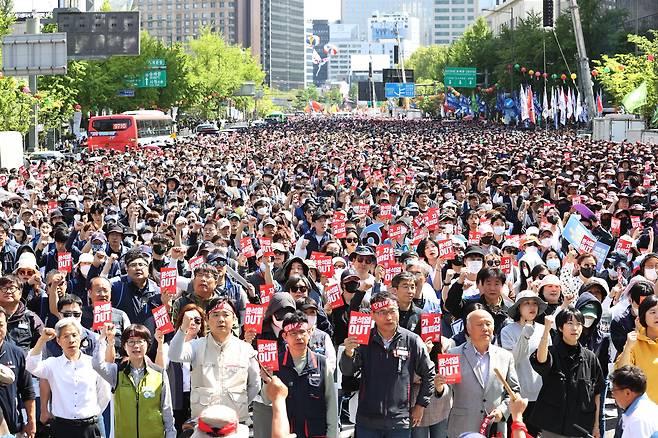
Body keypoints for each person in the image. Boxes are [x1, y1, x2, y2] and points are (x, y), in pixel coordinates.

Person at [340, 292, 435, 437]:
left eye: (392, 311)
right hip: (367, 420)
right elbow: (347, 371)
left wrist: (421, 405)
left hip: (399, 421)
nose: (389, 317)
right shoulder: (362, 340)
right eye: (382, 312)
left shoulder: (412, 340)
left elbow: (429, 374)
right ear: (372, 315)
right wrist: (348, 353)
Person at [168, 297, 260, 421]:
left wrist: (240, 405)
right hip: (204, 421)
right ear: (207, 319)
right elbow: (174, 355)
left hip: (235, 421)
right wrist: (183, 327)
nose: (221, 319)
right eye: (215, 315)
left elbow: (255, 384)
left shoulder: (245, 349)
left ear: (234, 319)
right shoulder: (197, 346)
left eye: (226, 315)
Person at [435, 309, 520, 438]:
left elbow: (514, 391)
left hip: (495, 428)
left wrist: (503, 411)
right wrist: (440, 387)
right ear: (468, 329)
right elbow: (447, 391)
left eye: (488, 324)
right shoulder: (453, 354)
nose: (485, 328)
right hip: (462, 427)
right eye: (480, 325)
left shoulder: (505, 356)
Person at [26, 319, 111, 438]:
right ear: (58, 341)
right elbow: (31, 366)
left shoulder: (93, 363)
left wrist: (92, 413)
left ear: (80, 338)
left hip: (89, 427)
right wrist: (42, 340)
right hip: (62, 428)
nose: (71, 340)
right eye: (66, 336)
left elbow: (105, 394)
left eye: (74, 335)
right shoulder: (53, 364)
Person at [261, 311, 338, 438]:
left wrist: (332, 435)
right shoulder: (276, 364)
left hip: (317, 433)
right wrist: (266, 381)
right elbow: (266, 399)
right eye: (293, 333)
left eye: (302, 332)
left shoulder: (323, 364)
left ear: (310, 333)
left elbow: (331, 404)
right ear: (285, 336)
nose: (299, 337)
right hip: (288, 433)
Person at [530, 308, 605, 438]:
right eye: (570, 323)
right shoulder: (551, 353)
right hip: (553, 427)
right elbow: (541, 361)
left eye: (579, 324)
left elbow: (597, 393)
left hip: (580, 428)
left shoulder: (591, 358)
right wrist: (547, 330)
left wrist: (596, 426)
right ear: (560, 327)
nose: (575, 328)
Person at [92, 323, 176, 438]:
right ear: (125, 346)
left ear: (147, 344)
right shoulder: (116, 372)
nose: (136, 346)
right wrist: (102, 337)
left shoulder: (159, 373)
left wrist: (171, 434)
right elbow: (97, 364)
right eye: (131, 342)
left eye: (141, 341)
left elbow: (167, 410)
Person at [500, 290, 548, 435]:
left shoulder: (542, 329)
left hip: (541, 395)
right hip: (518, 396)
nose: (532, 307)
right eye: (526, 303)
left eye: (534, 303)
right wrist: (524, 336)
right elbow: (512, 361)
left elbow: (546, 361)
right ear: (518, 308)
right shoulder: (507, 331)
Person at [0, 307, 37, 437]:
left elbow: (27, 390)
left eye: (0, 325)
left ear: (6, 326)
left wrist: (31, 421)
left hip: (12, 428)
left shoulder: (17, 353)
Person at [615, 294, 658, 403]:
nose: (657, 316)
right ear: (643, 316)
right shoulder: (634, 342)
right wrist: (628, 347)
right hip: (642, 410)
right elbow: (621, 373)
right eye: (653, 312)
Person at [609, 365, 658, 437]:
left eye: (613, 390)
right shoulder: (649, 408)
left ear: (627, 393)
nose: (612, 395)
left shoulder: (637, 421)